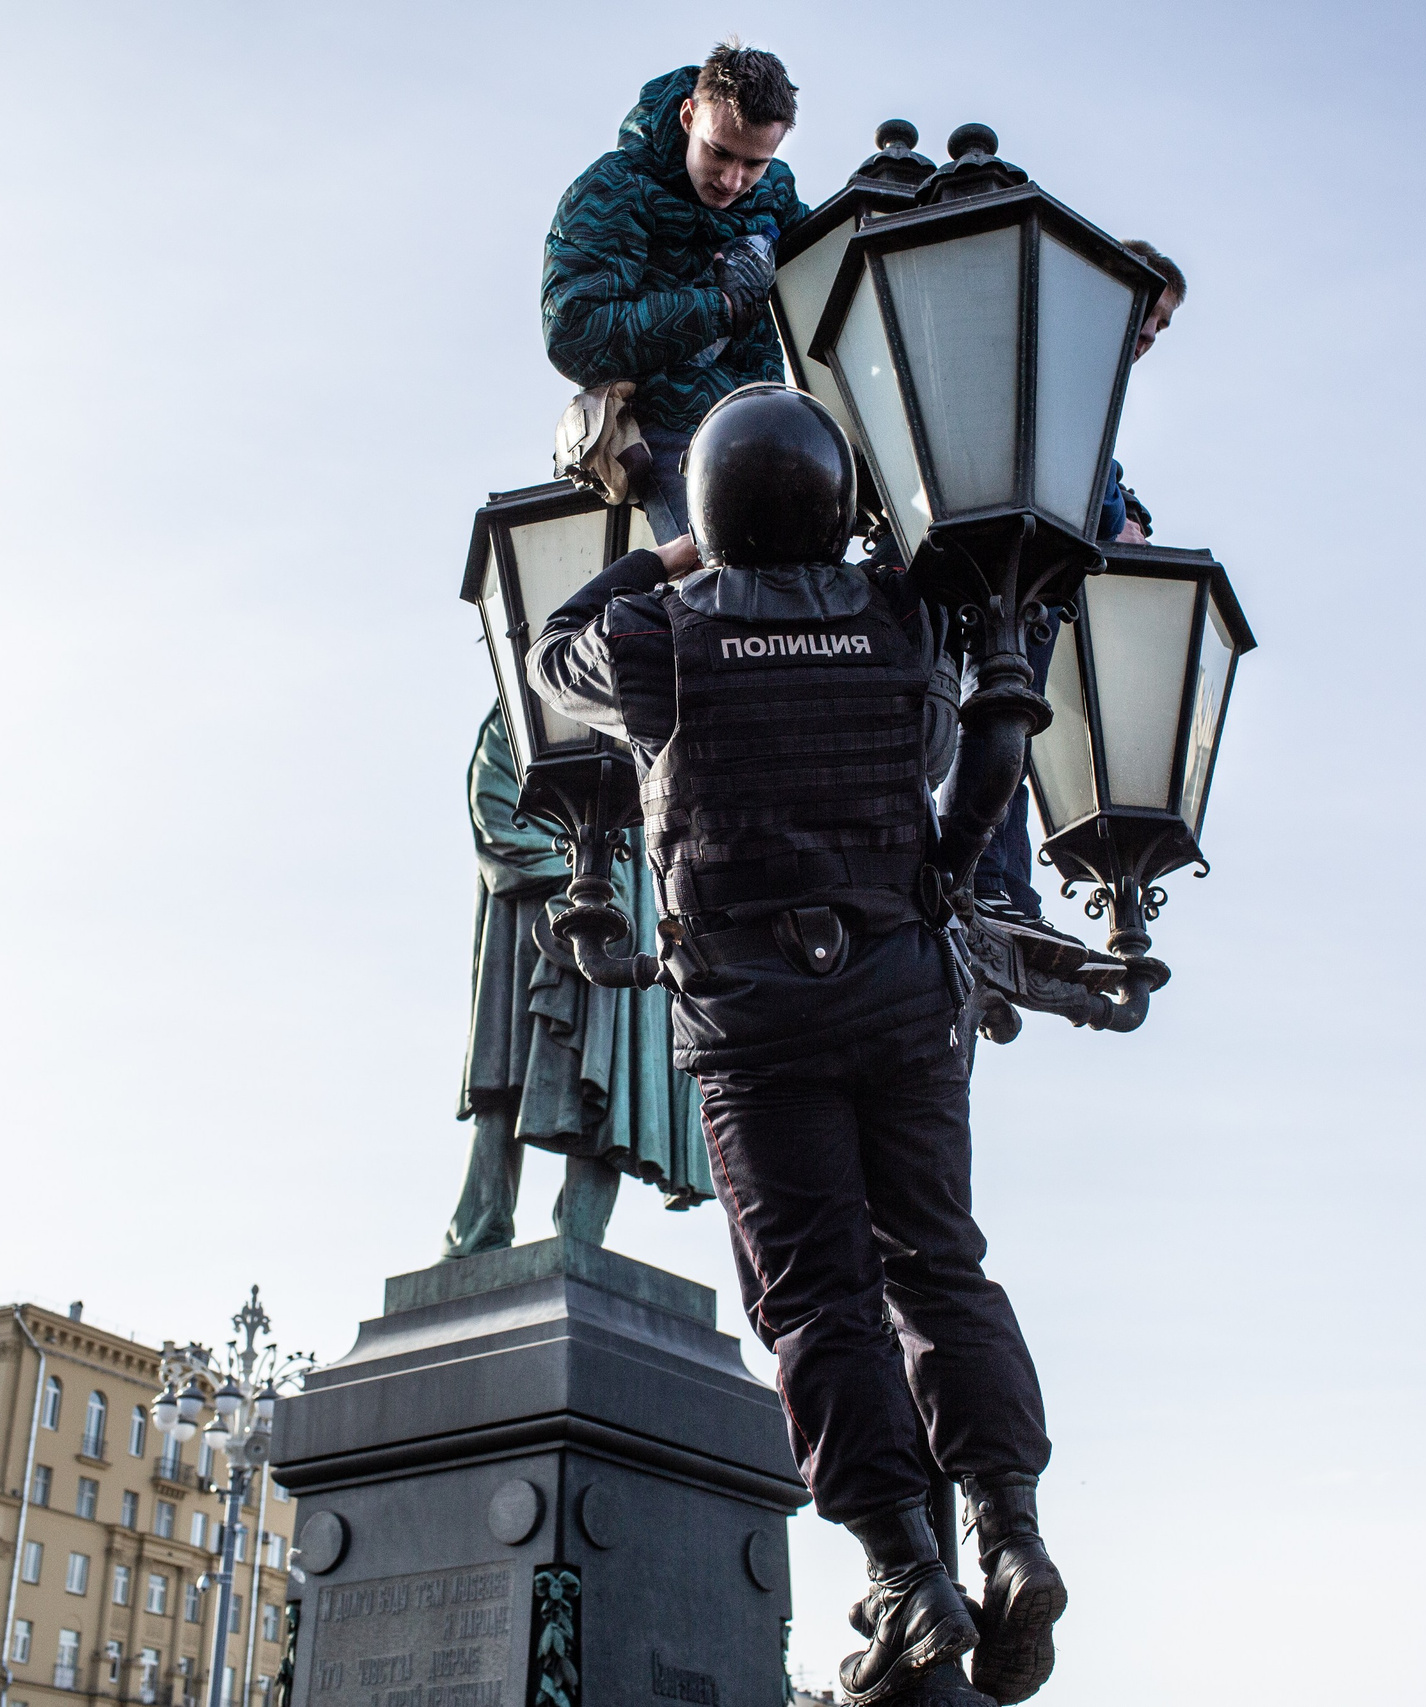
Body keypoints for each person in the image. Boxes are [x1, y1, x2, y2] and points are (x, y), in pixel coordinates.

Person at [526, 385, 1064, 1707]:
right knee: (939, 1266)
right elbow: (950, 744)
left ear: (710, 514)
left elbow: (550, 650)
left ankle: (904, 1568)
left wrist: (664, 556)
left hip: (753, 1013)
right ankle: (1007, 1523)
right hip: (899, 989)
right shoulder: (895, 622)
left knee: (817, 1301)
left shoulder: (660, 637)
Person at [970, 240, 1188, 935]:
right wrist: (1118, 519)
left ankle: (1001, 886)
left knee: (1012, 725)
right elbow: (1080, 487)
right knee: (1004, 721)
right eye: (1148, 313)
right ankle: (992, 885)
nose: (1151, 335)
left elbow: (1102, 476)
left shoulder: (1074, 361)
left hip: (1028, 584)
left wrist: (1127, 507)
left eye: (1164, 326)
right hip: (1021, 582)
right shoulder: (1071, 363)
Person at [447, 705, 713, 1257]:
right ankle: (480, 1230)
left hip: (625, 918)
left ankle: (582, 1241)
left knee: (612, 1080)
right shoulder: (515, 718)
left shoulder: (636, 713)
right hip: (529, 926)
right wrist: (579, 880)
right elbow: (496, 813)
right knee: (505, 1078)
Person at [541, 40, 812, 544]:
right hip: (672, 433)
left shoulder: (775, 193)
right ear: (689, 116)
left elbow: (825, 283)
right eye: (719, 152)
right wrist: (718, 307)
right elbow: (574, 333)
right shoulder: (611, 191)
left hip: (774, 430)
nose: (733, 180)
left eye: (754, 163)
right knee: (719, 587)